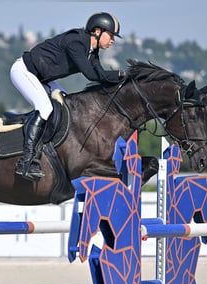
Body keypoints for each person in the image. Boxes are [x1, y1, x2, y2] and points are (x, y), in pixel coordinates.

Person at [10, 12, 126, 181]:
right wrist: (123, 74)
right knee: (45, 107)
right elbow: (92, 75)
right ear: (97, 30)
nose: (113, 40)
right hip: (24, 71)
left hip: (43, 79)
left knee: (67, 104)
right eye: (111, 35)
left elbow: (100, 74)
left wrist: (123, 78)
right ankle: (26, 162)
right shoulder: (77, 41)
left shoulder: (92, 52)